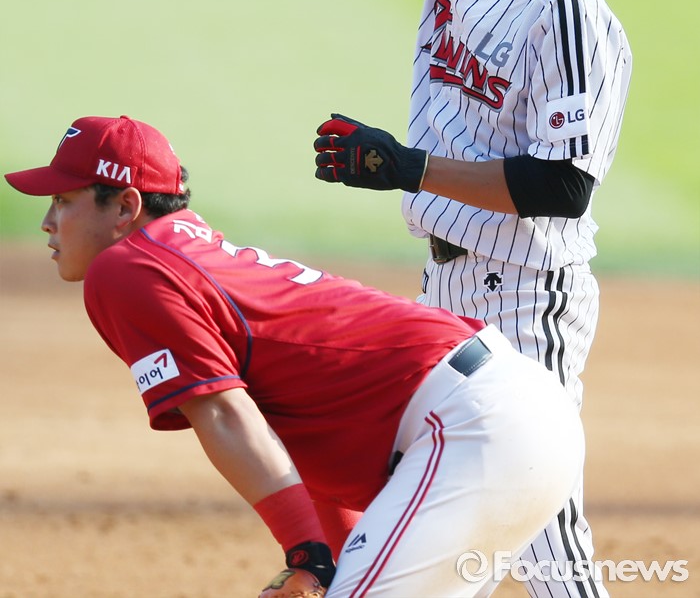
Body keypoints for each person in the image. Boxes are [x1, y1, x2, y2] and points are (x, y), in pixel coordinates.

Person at [168, 0, 632, 598]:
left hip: (527, 297)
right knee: (435, 510)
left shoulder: (569, 18)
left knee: (546, 535)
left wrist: (404, 166)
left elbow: (561, 185)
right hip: (443, 288)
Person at [5, 114, 584, 598]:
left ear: (125, 206)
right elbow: (296, 438)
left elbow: (225, 413)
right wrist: (326, 562)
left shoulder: (129, 268)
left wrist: (306, 551)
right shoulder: (191, 262)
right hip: (505, 421)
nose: (48, 221)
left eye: (64, 199)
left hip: (467, 428)